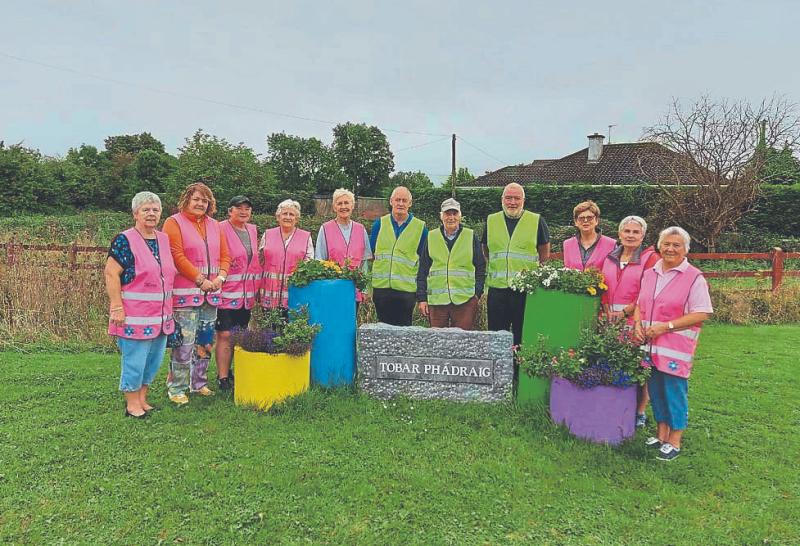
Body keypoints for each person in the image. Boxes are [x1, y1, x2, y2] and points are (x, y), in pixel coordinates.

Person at [634, 226, 713, 461]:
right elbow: (640, 304)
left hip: (675, 349)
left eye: (676, 245)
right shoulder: (650, 273)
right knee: (656, 392)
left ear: (685, 249)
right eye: (666, 244)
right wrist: (638, 325)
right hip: (650, 347)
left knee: (674, 393)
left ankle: (675, 439)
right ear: (659, 246)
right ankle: (661, 435)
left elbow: (702, 313)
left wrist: (665, 327)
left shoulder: (693, 278)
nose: (670, 249)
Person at [105, 191, 177, 418]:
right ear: (135, 213)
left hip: (161, 316)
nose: (151, 214)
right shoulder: (124, 240)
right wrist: (116, 306)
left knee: (153, 360)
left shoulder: (163, 239)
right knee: (135, 360)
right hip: (134, 315)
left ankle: (142, 398)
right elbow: (111, 273)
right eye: (146, 209)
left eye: (155, 210)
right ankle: (131, 403)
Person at [163, 182, 231, 405]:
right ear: (186, 200)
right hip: (186, 293)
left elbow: (225, 255)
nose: (201, 203)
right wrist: (200, 279)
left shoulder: (216, 225)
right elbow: (176, 255)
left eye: (205, 200)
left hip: (211, 293)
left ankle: (199, 383)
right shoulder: (173, 223)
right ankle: (177, 386)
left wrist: (220, 278)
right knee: (184, 342)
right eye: (197, 199)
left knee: (205, 341)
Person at [601, 215, 659, 428]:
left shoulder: (649, 258)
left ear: (643, 235)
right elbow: (602, 284)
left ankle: (639, 411)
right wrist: (606, 307)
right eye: (627, 231)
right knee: (613, 363)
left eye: (636, 232)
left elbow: (648, 291)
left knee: (640, 367)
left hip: (635, 321)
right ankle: (615, 406)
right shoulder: (610, 257)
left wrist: (626, 312)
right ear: (619, 234)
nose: (631, 235)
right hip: (608, 321)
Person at [482, 183, 550, 346]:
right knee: (497, 337)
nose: (512, 202)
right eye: (508, 198)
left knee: (524, 336)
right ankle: (499, 370)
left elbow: (544, 252)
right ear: (502, 200)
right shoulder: (491, 220)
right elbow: (485, 249)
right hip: (497, 291)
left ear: (523, 200)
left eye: (516, 198)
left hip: (524, 291)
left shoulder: (536, 220)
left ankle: (519, 370)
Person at [214, 195, 261, 391]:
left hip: (246, 295)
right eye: (239, 208)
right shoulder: (219, 228)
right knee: (224, 334)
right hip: (226, 292)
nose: (243, 211)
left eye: (247, 208)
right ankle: (223, 377)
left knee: (239, 335)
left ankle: (235, 370)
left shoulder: (252, 230)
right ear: (229, 210)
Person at [416, 198, 486, 330]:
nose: (451, 217)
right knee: (437, 342)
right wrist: (422, 298)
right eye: (448, 213)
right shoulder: (431, 237)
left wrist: (477, 294)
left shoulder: (470, 236)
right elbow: (423, 269)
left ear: (460, 216)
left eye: (455, 213)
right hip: (437, 302)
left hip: (465, 301)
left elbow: (480, 267)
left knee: (462, 342)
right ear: (441, 216)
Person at [370, 186, 428, 326]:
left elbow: (425, 262)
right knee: (382, 332)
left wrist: (421, 294)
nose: (400, 203)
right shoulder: (379, 224)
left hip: (406, 291)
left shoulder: (420, 228)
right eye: (397, 200)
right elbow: (371, 252)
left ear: (410, 203)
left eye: (404, 200)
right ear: (391, 201)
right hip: (381, 289)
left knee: (403, 333)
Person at [315, 188, 373, 308]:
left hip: (354, 289)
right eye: (339, 203)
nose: (343, 206)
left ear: (352, 206)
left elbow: (364, 263)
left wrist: (365, 289)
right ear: (334, 207)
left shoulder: (361, 230)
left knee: (351, 324)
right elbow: (319, 260)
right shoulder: (325, 229)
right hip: (331, 288)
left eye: (346, 203)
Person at [260, 199, 313, 310]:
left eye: (291, 214)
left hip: (294, 291)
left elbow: (309, 264)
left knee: (292, 325)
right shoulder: (268, 234)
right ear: (278, 217)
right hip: (269, 292)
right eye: (284, 214)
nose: (288, 217)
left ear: (296, 218)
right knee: (269, 326)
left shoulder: (306, 237)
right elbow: (259, 261)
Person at [562, 200, 616, 271]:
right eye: (581, 218)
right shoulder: (567, 244)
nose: (585, 221)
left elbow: (614, 272)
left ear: (596, 220)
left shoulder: (611, 244)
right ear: (576, 222)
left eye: (590, 217)